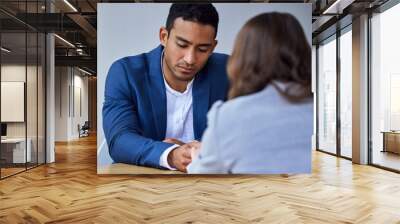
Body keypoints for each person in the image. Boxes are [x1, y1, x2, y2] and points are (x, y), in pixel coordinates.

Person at [103, 3, 229, 172]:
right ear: (164, 36)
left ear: (213, 47)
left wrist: (201, 149)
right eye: (182, 45)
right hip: (146, 187)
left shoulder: (229, 71)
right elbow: (119, 140)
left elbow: (254, 133)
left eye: (202, 49)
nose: (190, 59)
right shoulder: (126, 73)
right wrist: (172, 154)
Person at [187, 12, 313, 174]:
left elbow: (203, 178)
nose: (190, 59)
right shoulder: (314, 107)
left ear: (243, 57)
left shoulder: (227, 115)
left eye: (203, 48)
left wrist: (197, 156)